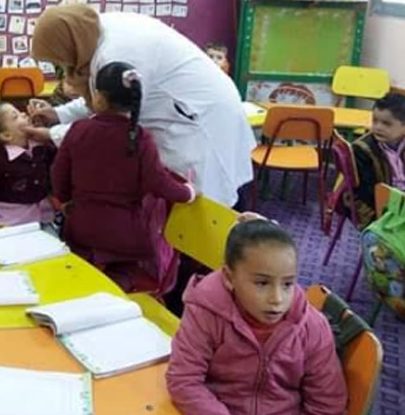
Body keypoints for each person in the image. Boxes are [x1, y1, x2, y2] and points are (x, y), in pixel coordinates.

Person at [27, 4, 255, 207]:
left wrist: (52, 134)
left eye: (59, 59)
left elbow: (107, 126)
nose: (62, 67)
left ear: (69, 45)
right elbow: (102, 97)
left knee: (207, 209)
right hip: (191, 110)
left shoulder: (116, 53)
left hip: (199, 123)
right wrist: (58, 114)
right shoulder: (90, 31)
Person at [166, 219, 347, 415]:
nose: (277, 299)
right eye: (262, 283)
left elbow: (327, 404)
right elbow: (184, 378)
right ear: (229, 278)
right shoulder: (205, 312)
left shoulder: (313, 328)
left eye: (287, 284)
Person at [52, 63, 195, 291]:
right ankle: (117, 289)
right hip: (126, 233)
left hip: (81, 225)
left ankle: (82, 291)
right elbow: (157, 182)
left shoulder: (78, 129)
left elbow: (59, 174)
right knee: (126, 269)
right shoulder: (140, 137)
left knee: (78, 268)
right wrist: (187, 193)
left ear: (99, 98)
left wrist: (66, 200)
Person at [0, 103, 55, 226]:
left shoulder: (40, 145)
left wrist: (47, 131)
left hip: (42, 211)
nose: (24, 114)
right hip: (11, 216)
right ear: (7, 135)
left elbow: (56, 157)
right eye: (15, 116)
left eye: (20, 112)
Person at [353, 92, 405, 228]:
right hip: (380, 207)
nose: (378, 127)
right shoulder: (362, 150)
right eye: (375, 121)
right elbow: (366, 192)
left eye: (386, 124)